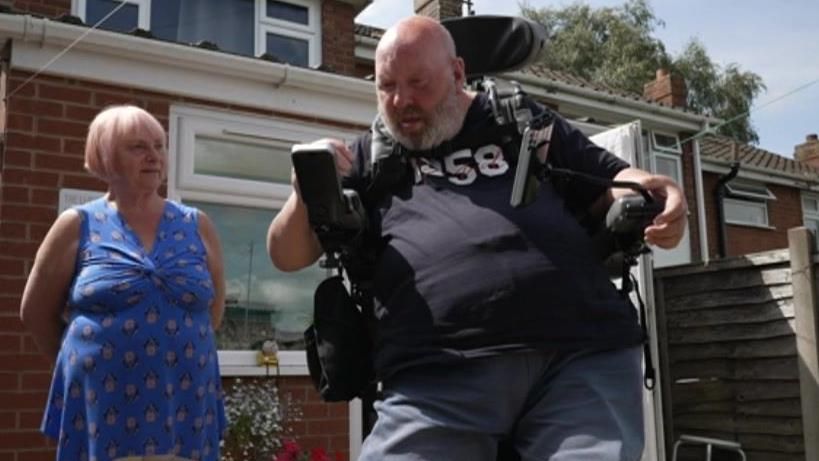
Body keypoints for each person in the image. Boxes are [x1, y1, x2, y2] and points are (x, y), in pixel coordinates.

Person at [267, 15, 688, 461]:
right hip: (436, 373)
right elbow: (285, 254)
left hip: (578, 351)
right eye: (387, 86)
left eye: (418, 83)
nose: (401, 100)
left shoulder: (520, 121)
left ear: (457, 73)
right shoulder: (366, 158)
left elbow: (611, 177)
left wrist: (657, 188)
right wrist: (303, 194)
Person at [20, 105, 227, 461]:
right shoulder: (77, 224)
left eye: (160, 146)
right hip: (104, 400)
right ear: (105, 155)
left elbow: (215, 309)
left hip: (187, 399)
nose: (154, 156)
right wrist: (87, 359)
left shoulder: (197, 223)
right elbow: (35, 312)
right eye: (138, 147)